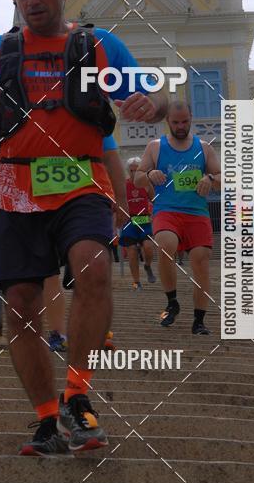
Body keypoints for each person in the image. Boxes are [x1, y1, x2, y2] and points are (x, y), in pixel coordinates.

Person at [0, 0, 168, 455]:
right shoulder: (0, 52)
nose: (33, 1)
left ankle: (78, 396)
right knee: (20, 304)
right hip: (15, 187)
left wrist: (153, 104)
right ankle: (46, 420)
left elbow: (163, 100)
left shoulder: (100, 47)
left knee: (93, 269)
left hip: (81, 180)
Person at [135, 100, 221, 335]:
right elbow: (138, 178)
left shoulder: (204, 148)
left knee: (201, 261)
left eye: (185, 122)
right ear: (168, 122)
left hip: (197, 213)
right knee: (165, 245)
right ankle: (172, 301)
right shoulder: (155, 147)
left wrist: (210, 179)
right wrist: (150, 174)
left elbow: (223, 177)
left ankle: (199, 320)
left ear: (191, 118)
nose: (180, 126)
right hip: (167, 210)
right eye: (175, 122)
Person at [44, 135, 129, 352]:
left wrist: (121, 200)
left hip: (86, 201)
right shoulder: (33, 111)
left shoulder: (88, 109)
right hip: (42, 198)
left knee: (92, 267)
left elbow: (111, 157)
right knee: (49, 271)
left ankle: (94, 333)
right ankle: (57, 333)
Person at [119, 156, 156, 291]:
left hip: (145, 220)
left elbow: (155, 200)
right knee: (132, 252)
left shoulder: (146, 184)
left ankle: (147, 265)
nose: (134, 173)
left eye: (136, 170)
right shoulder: (123, 185)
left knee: (148, 247)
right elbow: (118, 203)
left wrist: (156, 215)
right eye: (131, 170)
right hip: (129, 221)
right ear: (128, 171)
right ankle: (136, 282)